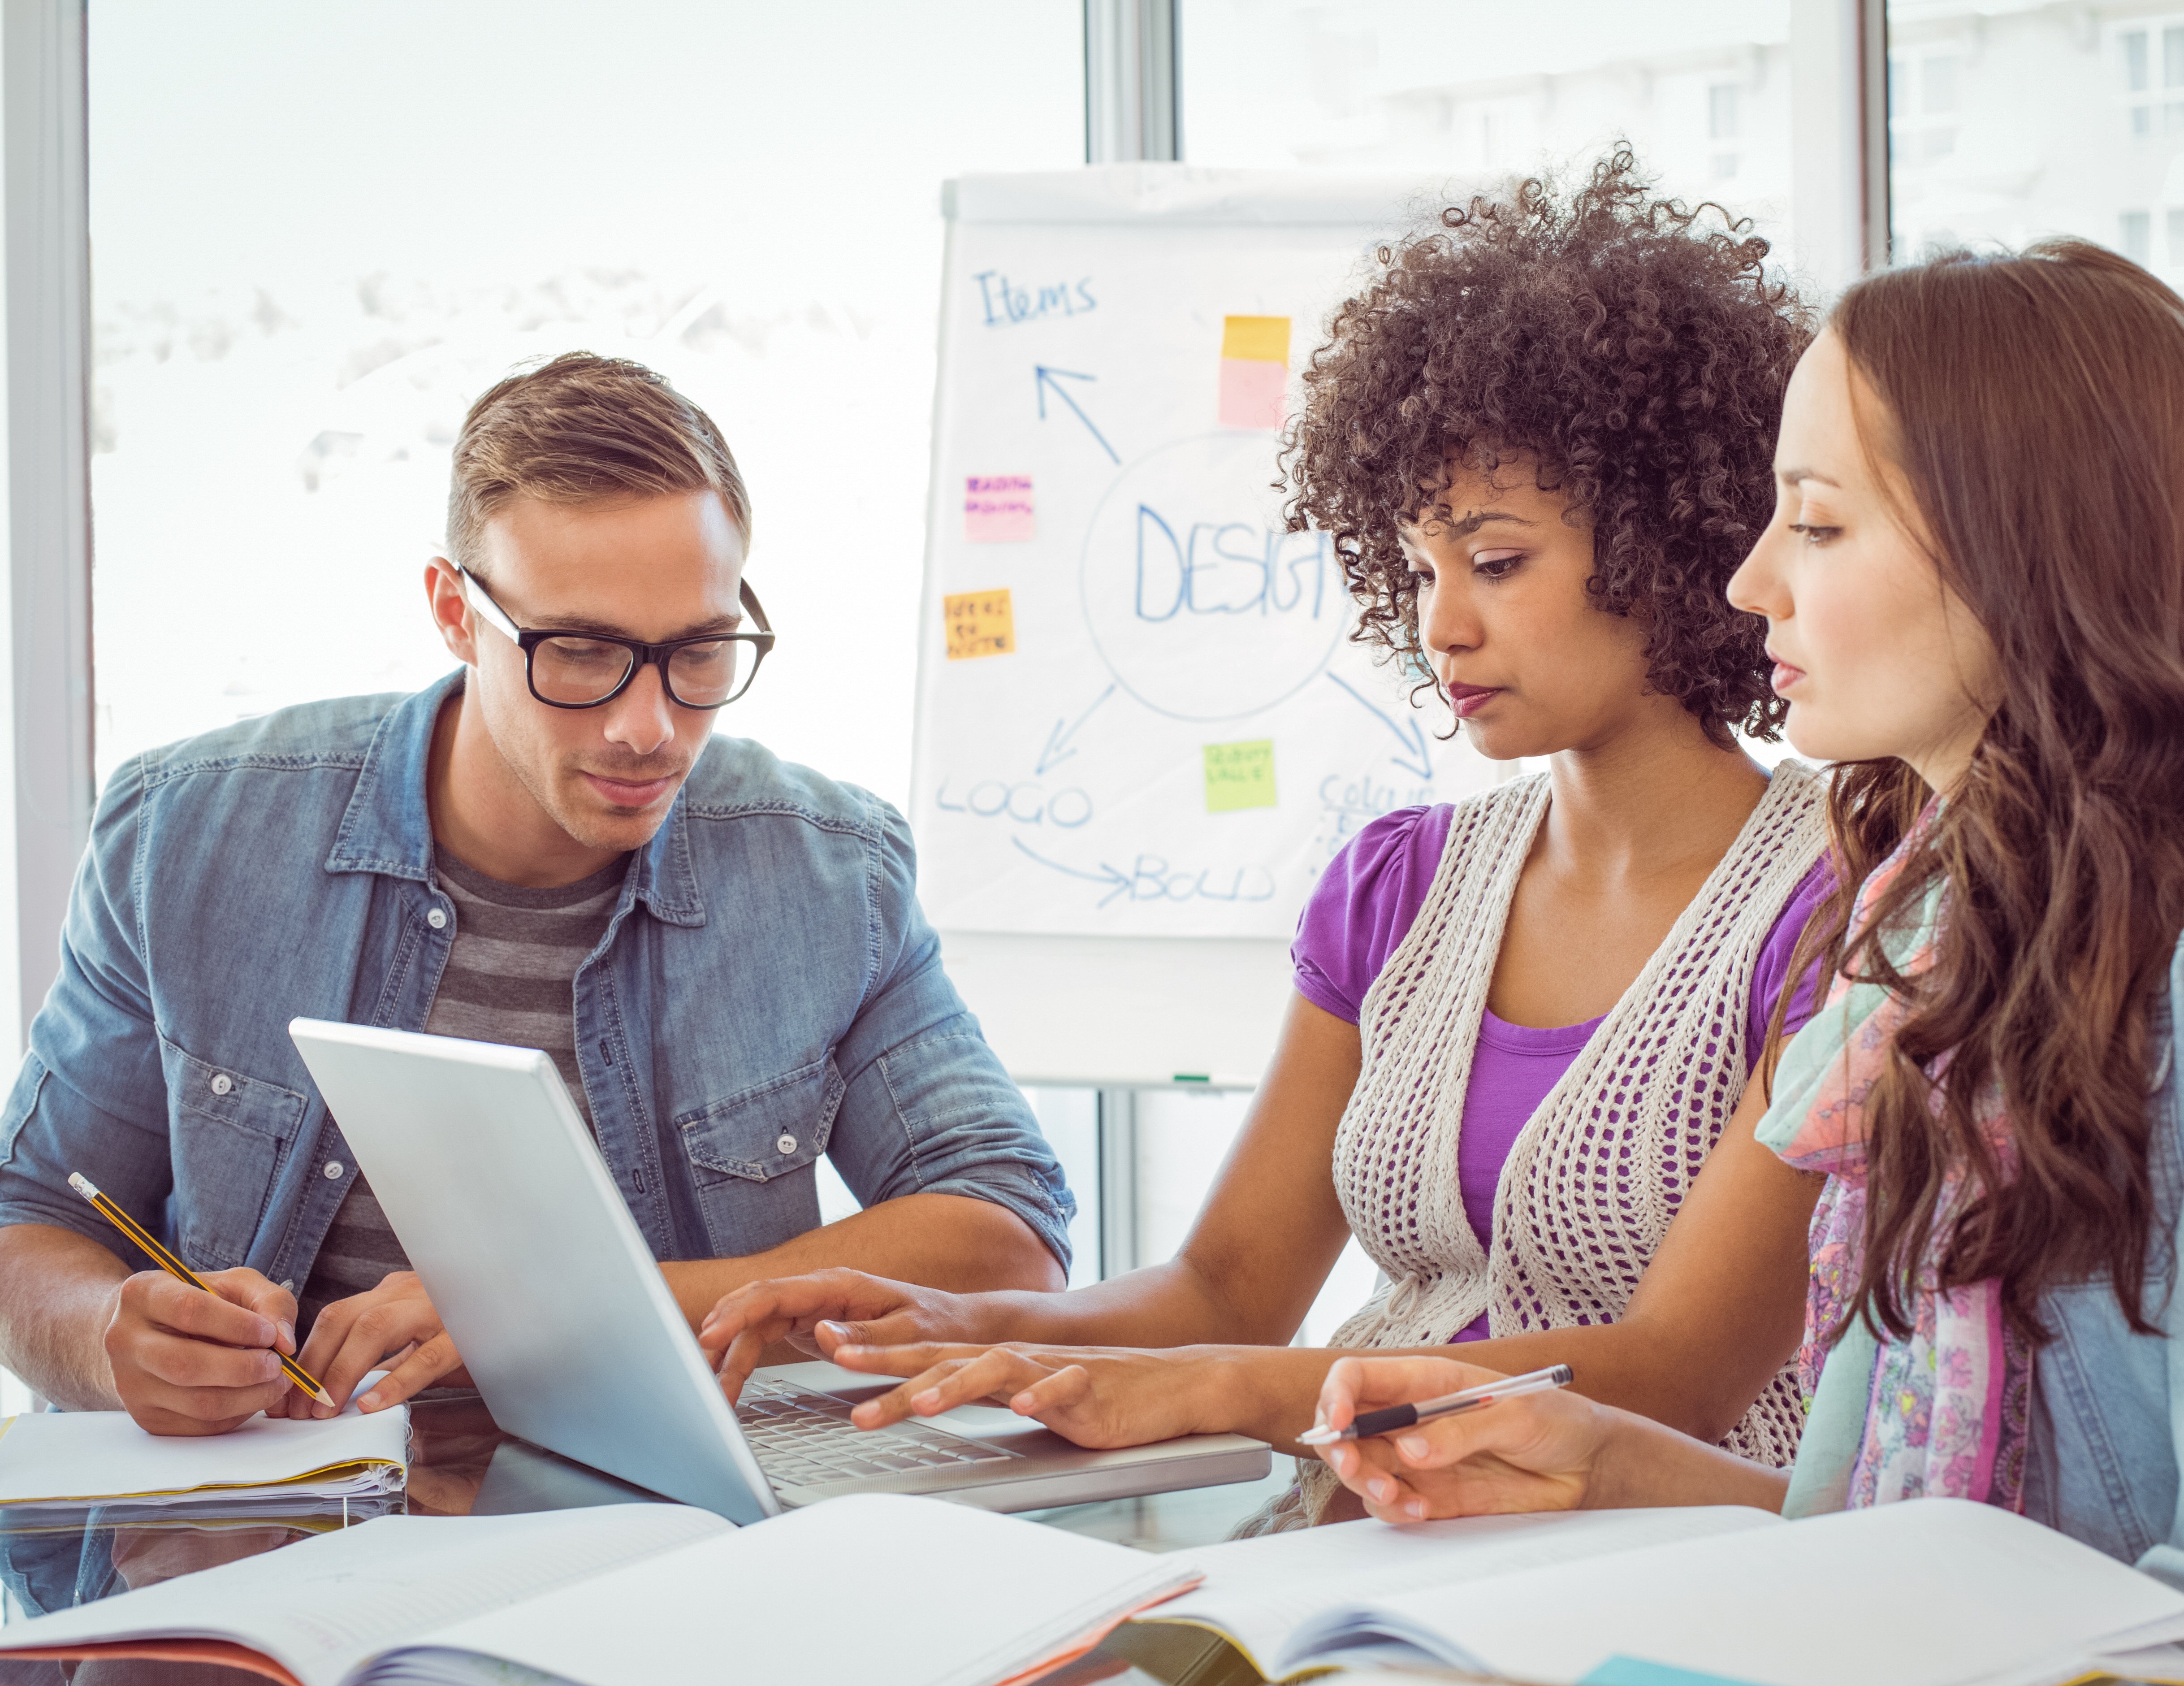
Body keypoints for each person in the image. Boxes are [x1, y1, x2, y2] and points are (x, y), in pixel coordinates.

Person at [1309, 241, 2184, 1686]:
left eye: (1815, 526)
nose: (1750, 586)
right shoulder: (1937, 916)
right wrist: (1610, 1469)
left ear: (2025, 547)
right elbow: (1897, 1557)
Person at [695, 150, 1837, 1530]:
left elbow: (1678, 1378)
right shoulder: (1401, 886)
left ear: (1667, 539)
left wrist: (1225, 1393)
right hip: (1356, 1555)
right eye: (1418, 568)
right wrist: (946, 1318)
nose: (1440, 627)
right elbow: (1226, 1292)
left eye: (1496, 561)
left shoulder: (1837, 900)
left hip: (1654, 1574)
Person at [0, 352, 1073, 1437]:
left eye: (699, 651)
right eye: (582, 654)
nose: (649, 726)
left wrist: (556, 1312)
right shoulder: (187, 836)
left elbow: (1008, 1234)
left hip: (671, 1545)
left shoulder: (831, 874)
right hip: (277, 1541)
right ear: (455, 611)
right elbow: (30, 1224)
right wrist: (105, 1331)